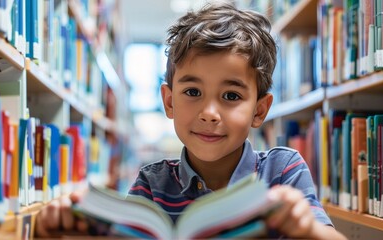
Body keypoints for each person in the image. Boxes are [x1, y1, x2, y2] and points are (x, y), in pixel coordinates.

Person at [35, 2, 346, 239]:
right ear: (169, 101)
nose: (209, 112)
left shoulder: (283, 170)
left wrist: (310, 229)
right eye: (193, 91)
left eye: (231, 96)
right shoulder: (151, 184)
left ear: (259, 111)